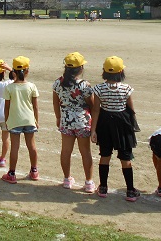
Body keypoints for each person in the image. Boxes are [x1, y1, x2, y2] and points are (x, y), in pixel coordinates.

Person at [90, 56, 140, 201]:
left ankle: (103, 187)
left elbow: (96, 110)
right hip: (122, 124)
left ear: (104, 71)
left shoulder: (99, 88)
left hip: (105, 123)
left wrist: (93, 130)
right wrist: (132, 126)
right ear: (121, 71)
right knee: (125, 157)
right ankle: (130, 190)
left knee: (105, 155)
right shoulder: (126, 88)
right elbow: (131, 109)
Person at [52, 52, 95, 193]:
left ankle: (66, 179)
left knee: (66, 151)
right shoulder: (84, 85)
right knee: (85, 152)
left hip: (66, 120)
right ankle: (89, 182)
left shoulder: (58, 83)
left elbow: (55, 102)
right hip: (82, 121)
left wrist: (58, 117)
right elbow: (91, 104)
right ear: (80, 68)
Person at [1, 56, 40, 184]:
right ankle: (34, 171)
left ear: (14, 72)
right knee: (32, 146)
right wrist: (36, 120)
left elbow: (6, 107)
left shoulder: (9, 88)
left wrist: (7, 121)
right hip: (29, 120)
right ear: (27, 71)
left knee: (15, 147)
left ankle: (12, 173)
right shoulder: (32, 86)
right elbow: (35, 106)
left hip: (14, 120)